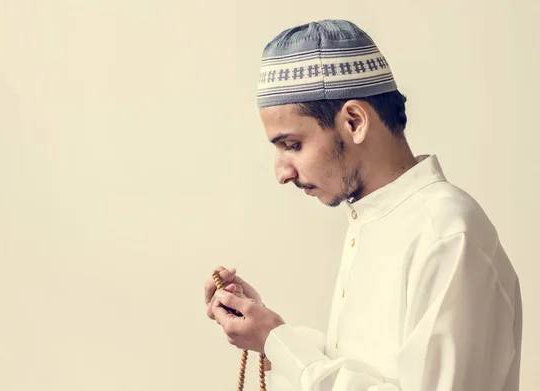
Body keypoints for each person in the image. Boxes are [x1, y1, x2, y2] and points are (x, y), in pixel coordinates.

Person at [203, 19, 522, 391]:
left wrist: (276, 341)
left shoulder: (446, 234)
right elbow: (371, 374)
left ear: (354, 122)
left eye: (292, 145)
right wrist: (266, 330)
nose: (281, 173)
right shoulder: (376, 220)